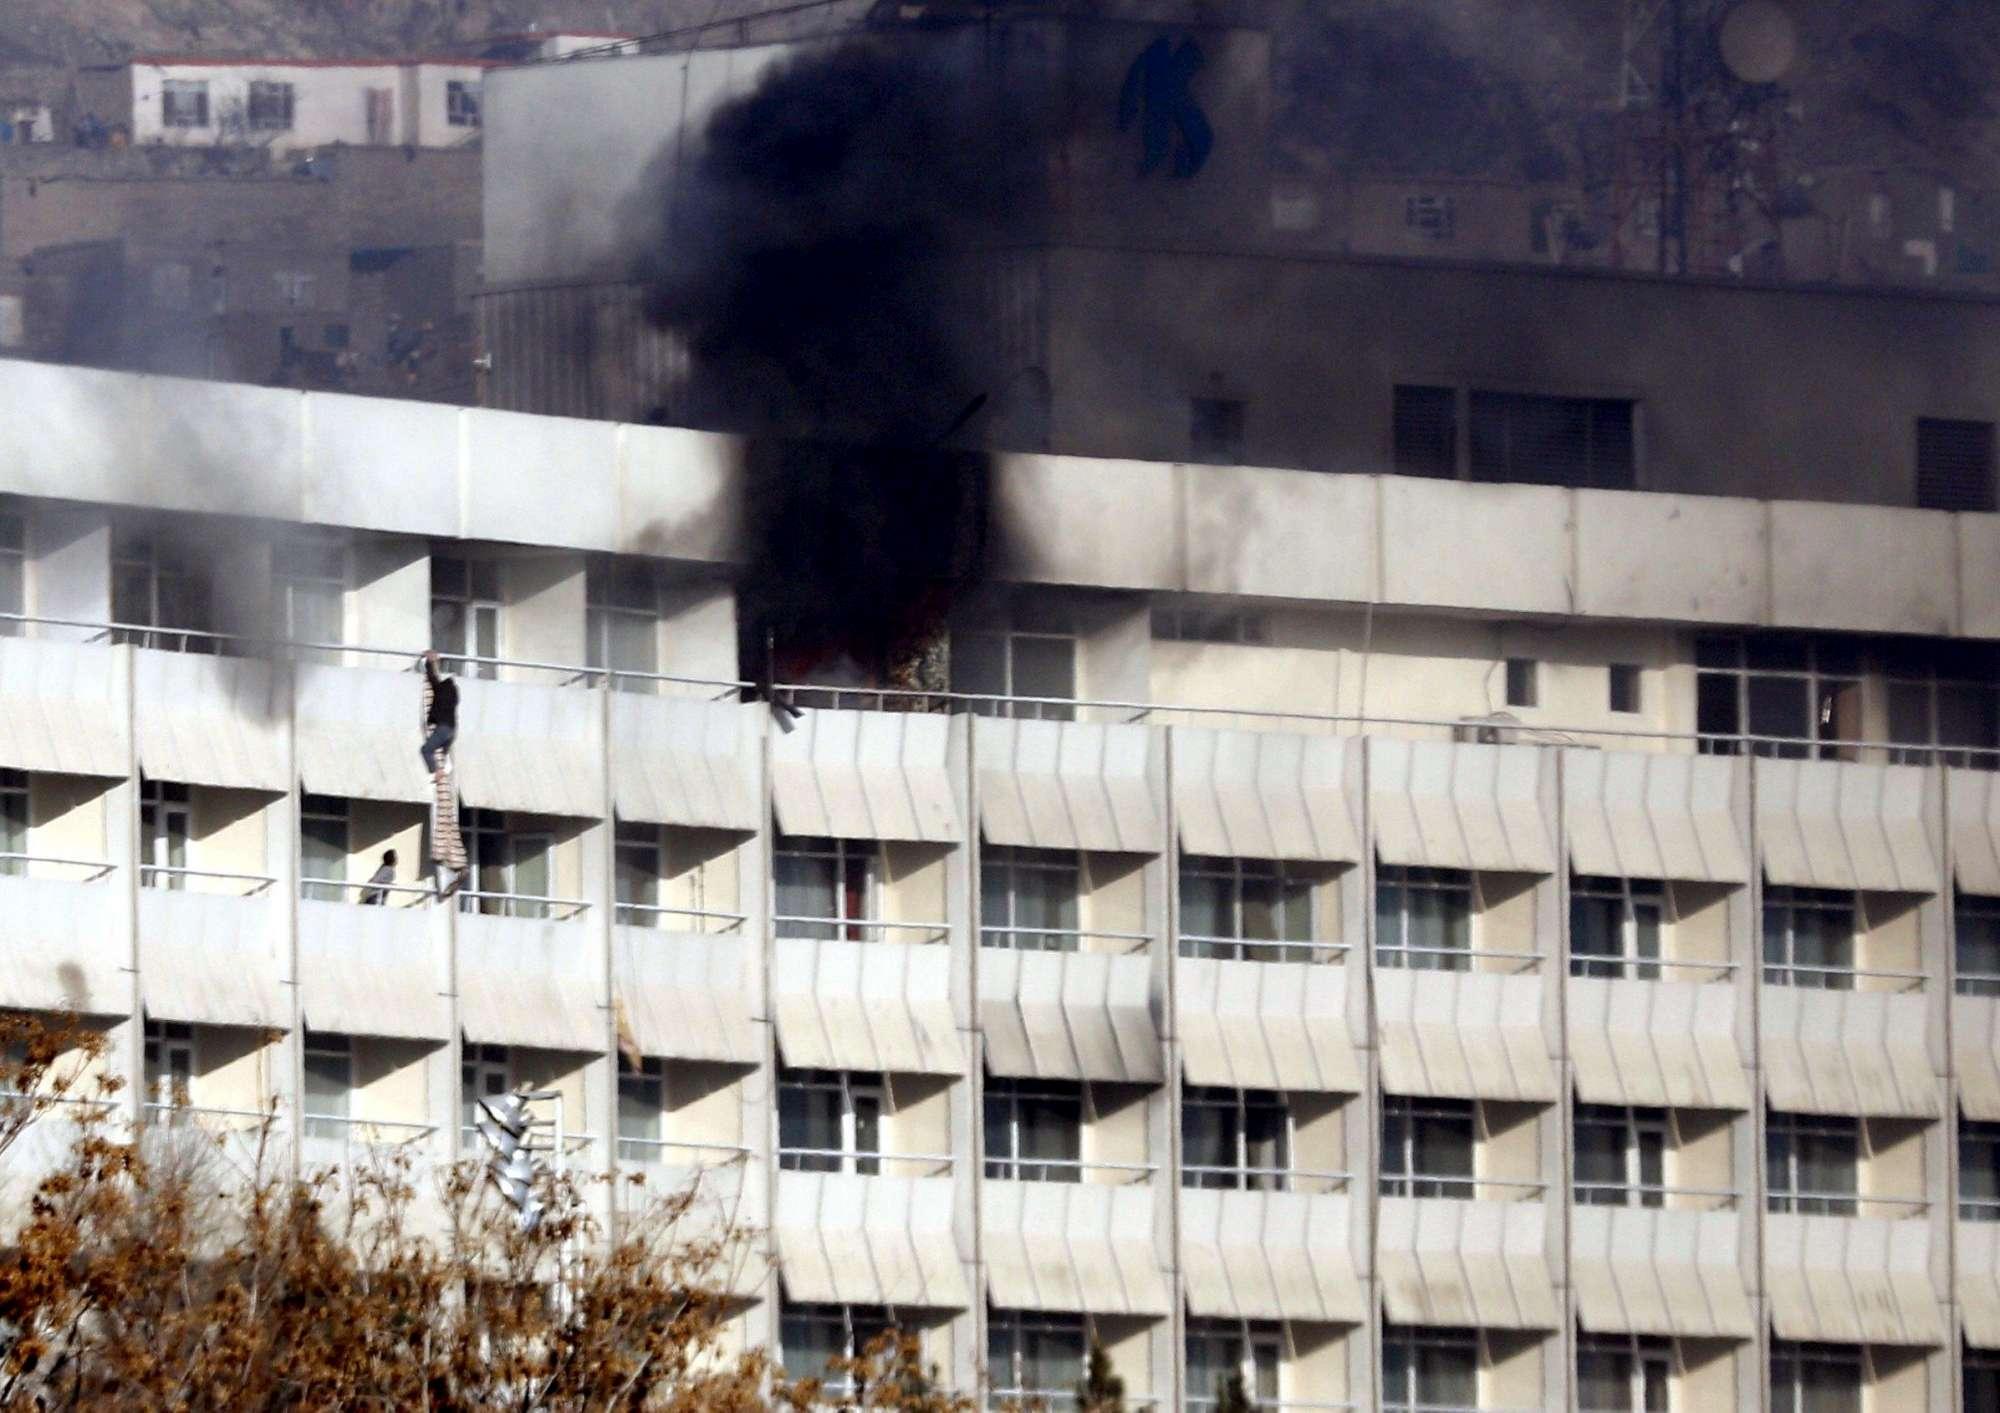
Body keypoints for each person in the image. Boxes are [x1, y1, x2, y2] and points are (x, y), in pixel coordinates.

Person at [421, 650, 458, 774]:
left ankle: (437, 771)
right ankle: (446, 765)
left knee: (426, 750)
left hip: (443, 728)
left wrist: (428, 661)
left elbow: (432, 677)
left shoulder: (440, 689)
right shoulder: (453, 692)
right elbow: (435, 677)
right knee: (443, 751)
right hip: (452, 730)